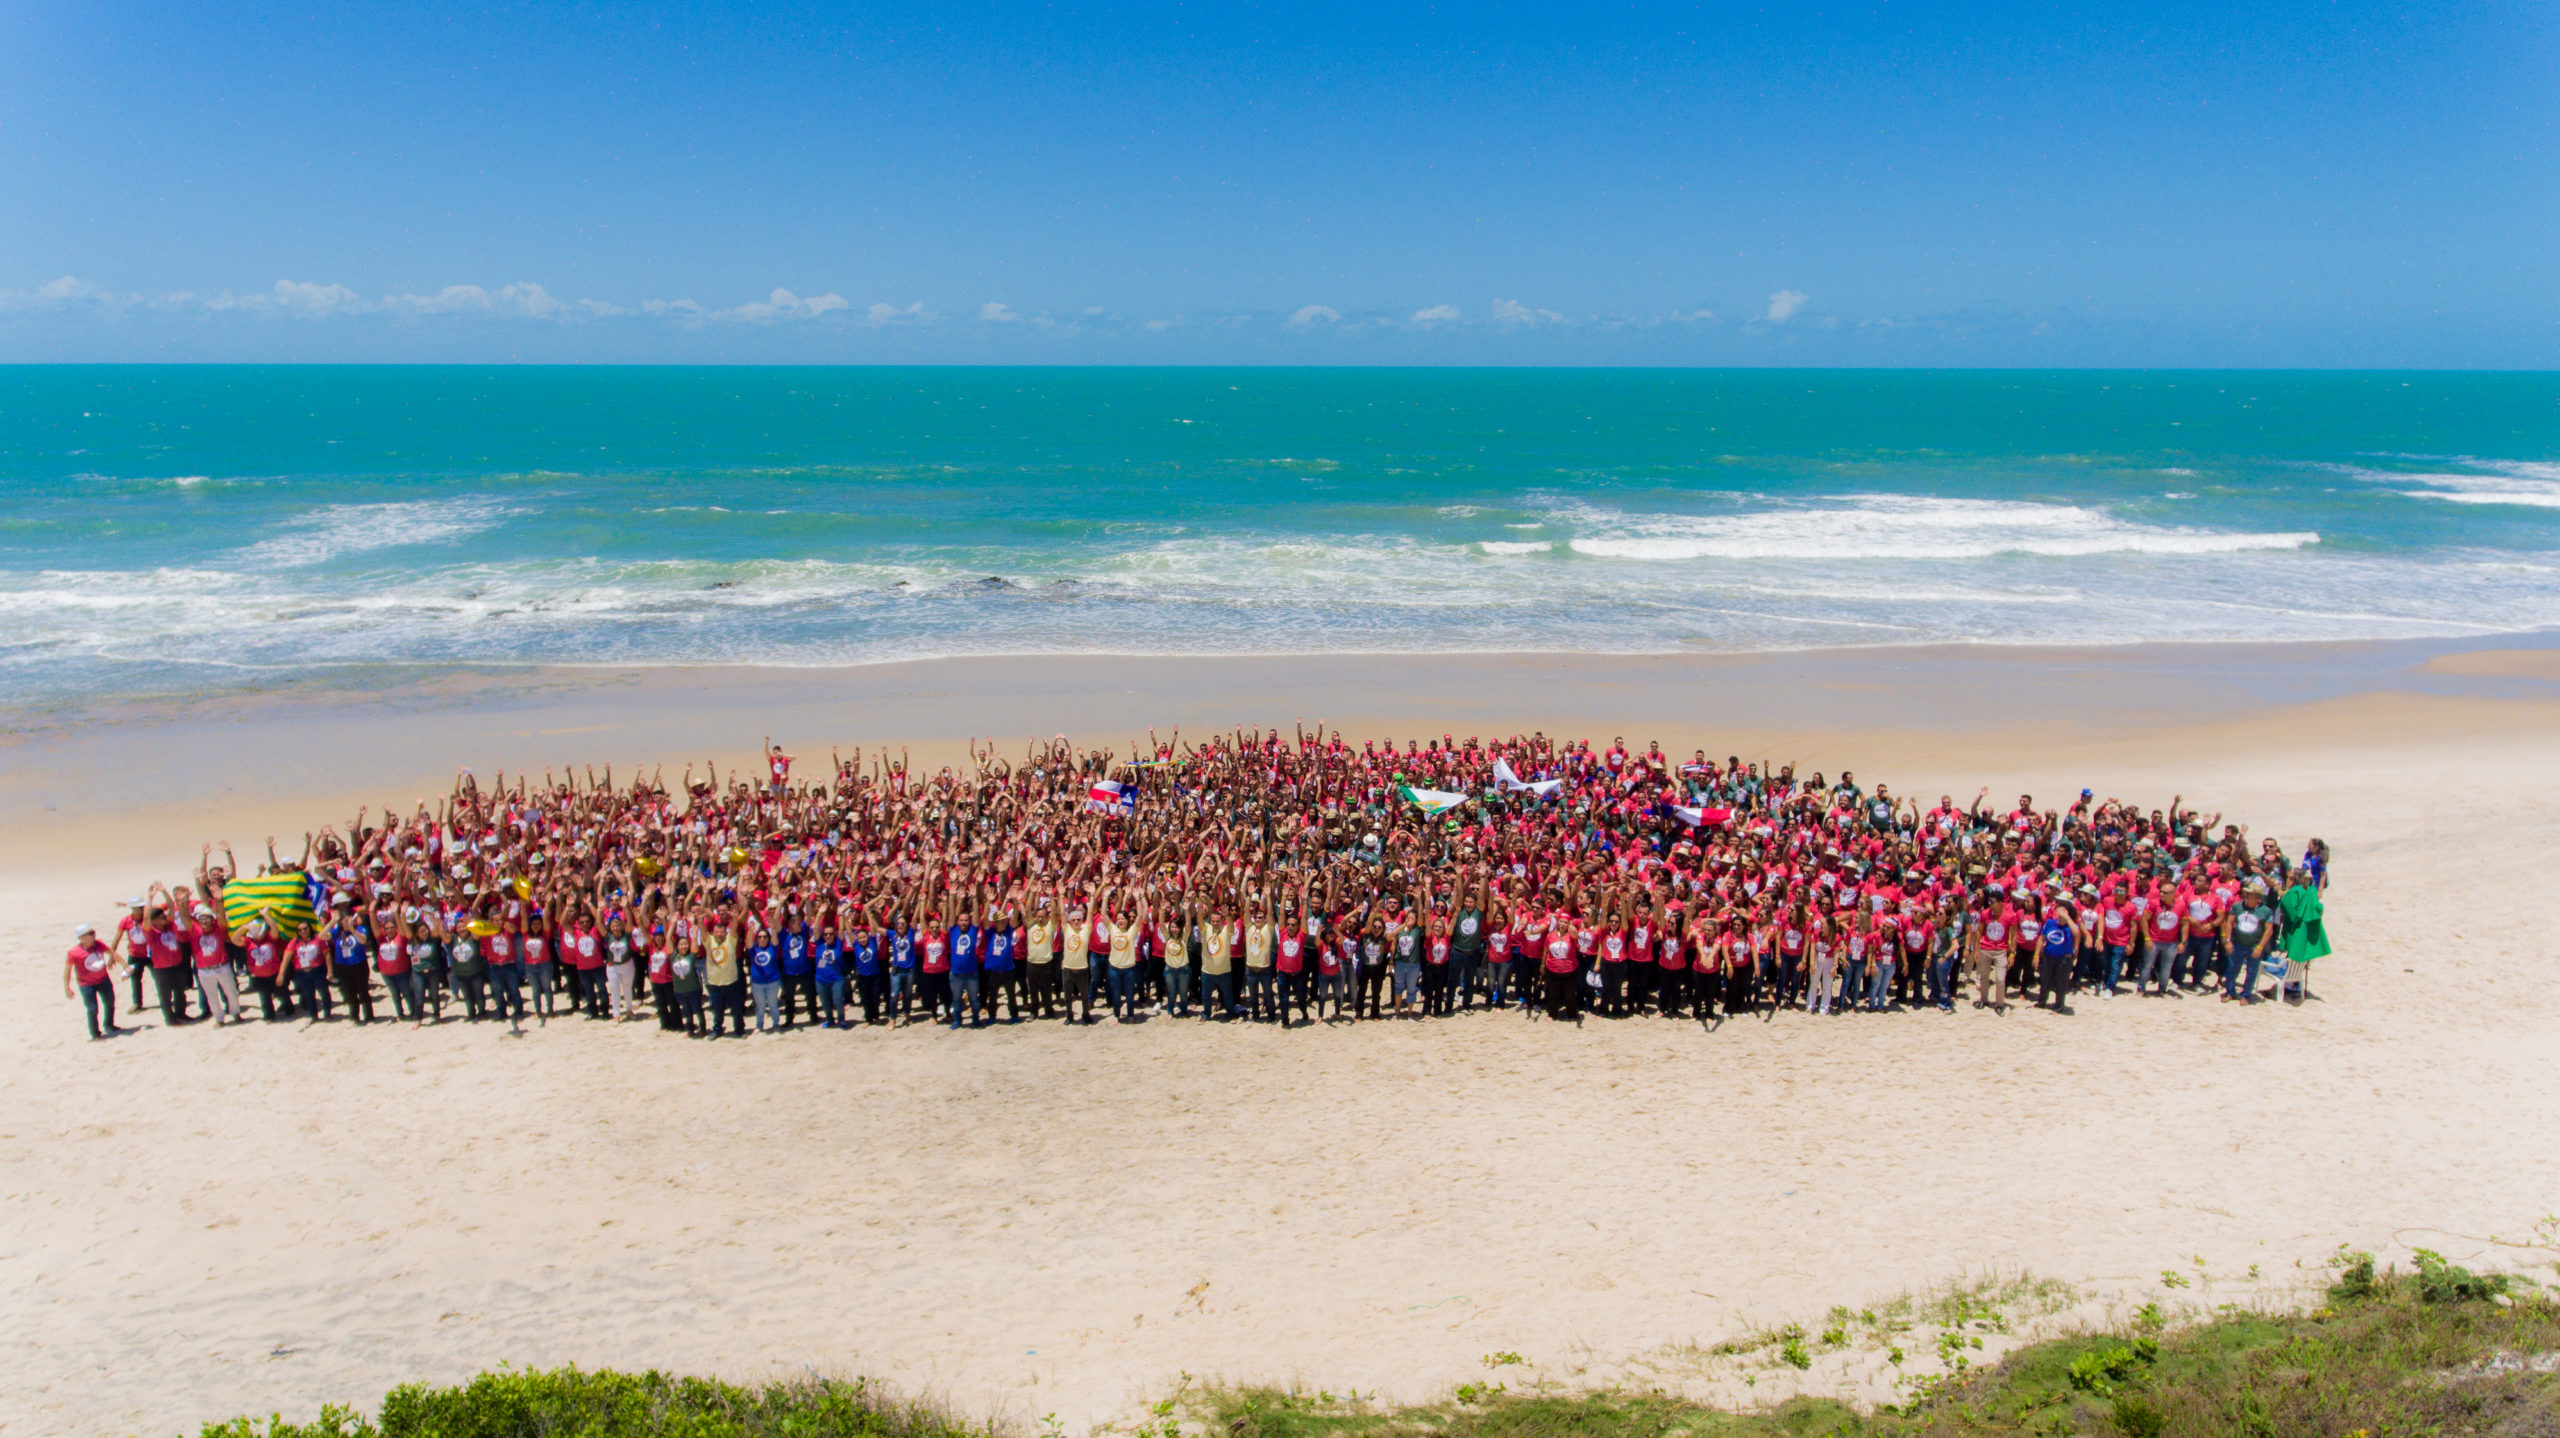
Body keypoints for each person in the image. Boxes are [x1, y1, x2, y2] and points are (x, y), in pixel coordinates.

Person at [2278, 866, 2331, 1001]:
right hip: (2308, 926)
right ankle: (2296, 983)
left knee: (2294, 953)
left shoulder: (2295, 891)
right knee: (2304, 954)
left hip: (2297, 928)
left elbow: (2286, 905)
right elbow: (2319, 908)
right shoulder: (2312, 891)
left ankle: (2289, 984)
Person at [66, 924, 121, 1039]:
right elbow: (67, 970)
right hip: (86, 985)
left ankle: (109, 1025)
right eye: (90, 934)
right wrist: (67, 987)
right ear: (82, 937)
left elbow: (112, 953)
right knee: (92, 1008)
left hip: (103, 980)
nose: (93, 935)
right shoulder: (74, 952)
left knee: (110, 1002)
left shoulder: (98, 944)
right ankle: (95, 1033)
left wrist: (125, 965)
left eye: (93, 932)